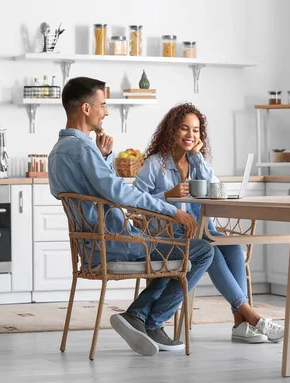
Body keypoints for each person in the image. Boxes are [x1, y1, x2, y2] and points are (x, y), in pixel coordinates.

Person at [48, 78, 214, 356]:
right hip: (117, 243)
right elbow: (119, 194)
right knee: (201, 250)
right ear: (87, 109)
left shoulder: (58, 151)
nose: (106, 111)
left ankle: (139, 317)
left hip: (91, 248)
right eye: (103, 105)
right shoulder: (82, 149)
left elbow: (96, 191)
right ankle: (150, 320)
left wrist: (104, 156)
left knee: (169, 250)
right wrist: (172, 210)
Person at [133, 103, 284, 343]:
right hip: (168, 235)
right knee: (210, 248)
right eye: (184, 129)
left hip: (203, 229)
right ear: (172, 130)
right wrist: (168, 195)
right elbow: (136, 204)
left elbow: (215, 187)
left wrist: (197, 157)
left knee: (232, 247)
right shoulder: (154, 164)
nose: (190, 135)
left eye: (195, 130)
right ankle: (252, 317)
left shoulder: (195, 161)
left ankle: (239, 323)